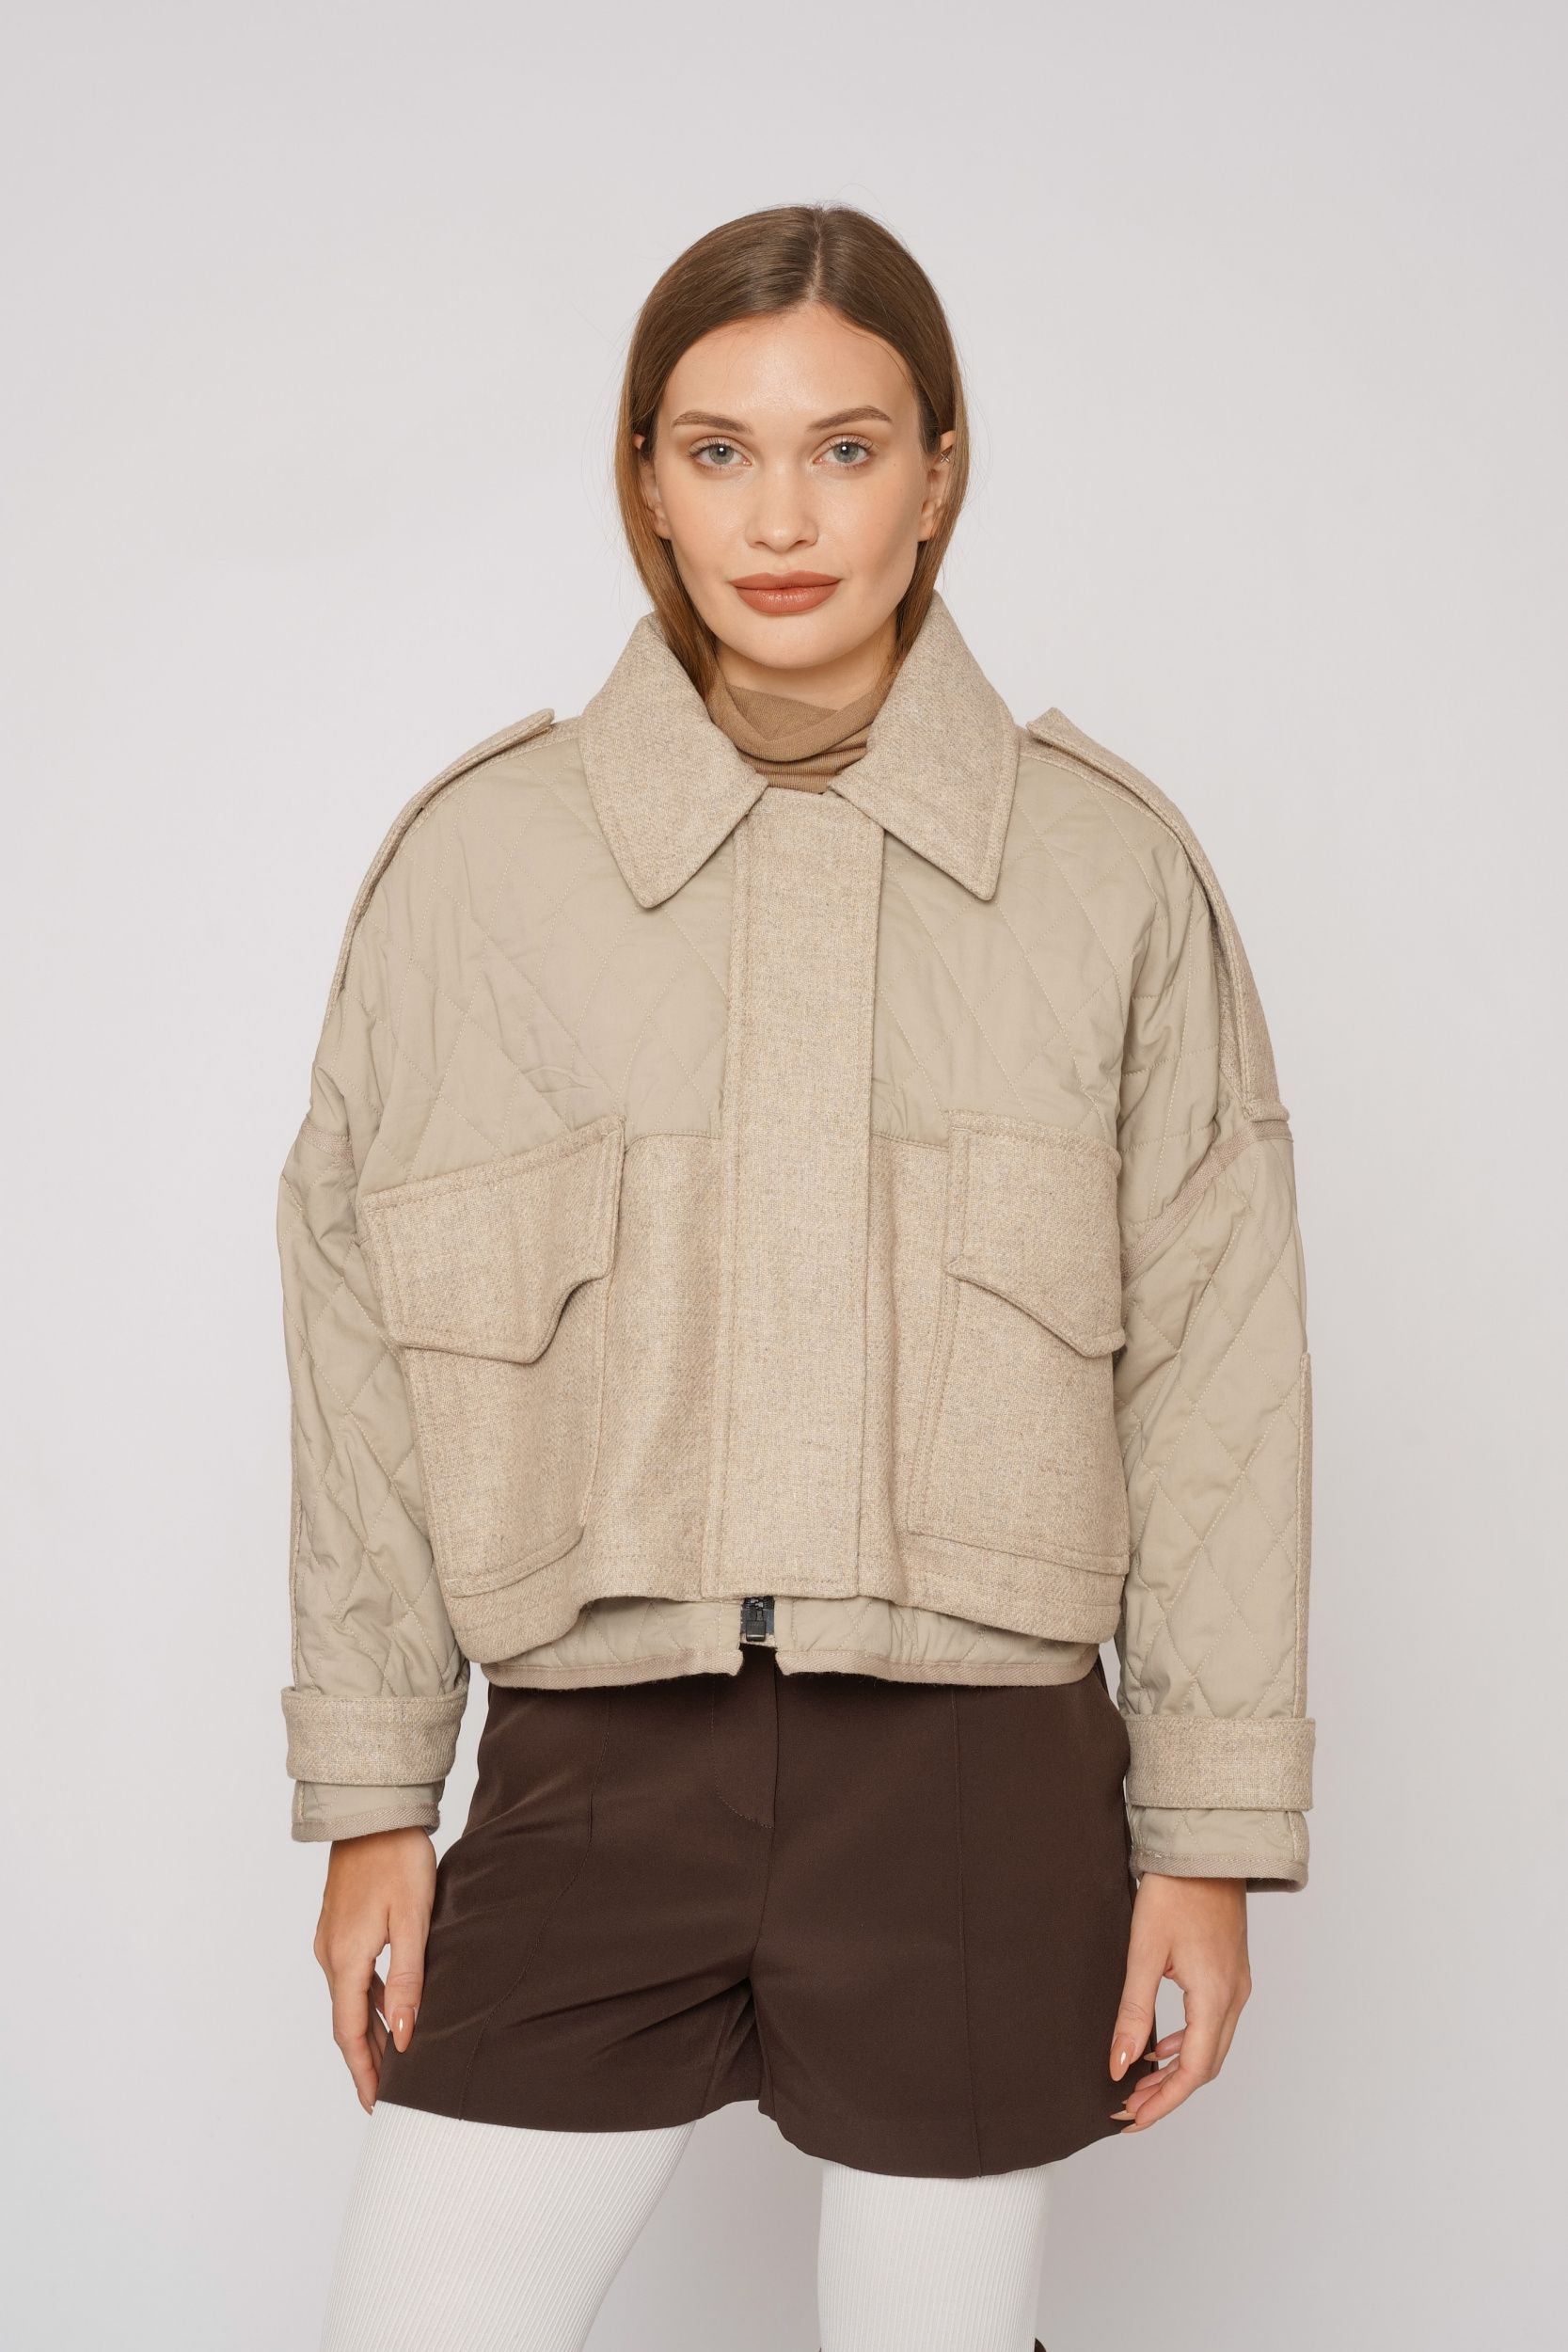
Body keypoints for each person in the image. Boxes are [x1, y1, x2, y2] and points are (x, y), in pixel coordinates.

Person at [277, 203, 1316, 2352]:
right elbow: (358, 1342)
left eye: (846, 449)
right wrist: (378, 1792)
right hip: (593, 1762)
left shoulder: (1108, 872)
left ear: (939, 474)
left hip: (978, 1779)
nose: (781, 518)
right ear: (644, 479)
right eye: (718, 450)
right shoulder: (478, 868)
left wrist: (1206, 1833)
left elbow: (1219, 1376)